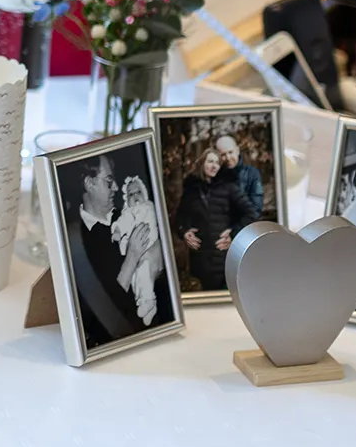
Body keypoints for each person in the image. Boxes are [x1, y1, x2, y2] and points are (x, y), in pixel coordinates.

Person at [66, 153, 169, 346]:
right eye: (109, 181)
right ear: (89, 183)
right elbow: (101, 310)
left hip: (159, 332)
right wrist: (132, 256)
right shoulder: (74, 243)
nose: (115, 187)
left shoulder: (130, 215)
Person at [178, 146, 243, 292]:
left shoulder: (228, 187)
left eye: (218, 163)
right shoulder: (191, 189)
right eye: (210, 161)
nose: (214, 166)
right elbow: (181, 217)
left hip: (224, 253)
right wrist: (184, 232)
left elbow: (246, 215)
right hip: (200, 255)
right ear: (202, 163)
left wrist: (233, 234)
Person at [112, 175, 164, 322]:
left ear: (145, 193)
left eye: (138, 192)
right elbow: (121, 223)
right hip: (135, 251)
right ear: (126, 199)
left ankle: (148, 300)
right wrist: (117, 231)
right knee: (135, 278)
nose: (135, 196)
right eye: (131, 194)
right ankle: (146, 304)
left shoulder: (150, 206)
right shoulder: (127, 212)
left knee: (143, 271)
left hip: (149, 245)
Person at [219, 133, 265, 226]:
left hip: (245, 229)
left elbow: (256, 209)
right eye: (223, 154)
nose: (228, 158)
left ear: (237, 151)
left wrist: (233, 231)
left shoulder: (252, 174)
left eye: (230, 152)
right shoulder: (216, 176)